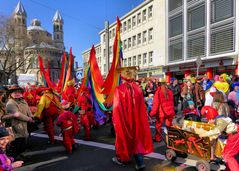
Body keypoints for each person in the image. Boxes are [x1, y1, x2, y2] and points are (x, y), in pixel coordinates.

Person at [112, 66, 153, 170]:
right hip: (137, 120)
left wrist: (116, 121)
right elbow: (142, 106)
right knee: (137, 139)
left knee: (123, 138)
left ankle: (123, 159)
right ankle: (140, 162)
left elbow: (117, 108)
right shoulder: (137, 88)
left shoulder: (119, 89)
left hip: (125, 120)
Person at [197, 106, 239, 171]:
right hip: (233, 135)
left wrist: (203, 134)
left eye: (208, 119)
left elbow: (217, 131)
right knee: (226, 154)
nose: (208, 121)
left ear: (211, 118)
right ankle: (229, 169)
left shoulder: (220, 120)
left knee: (228, 155)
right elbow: (217, 133)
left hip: (235, 135)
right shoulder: (219, 118)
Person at [5, 85, 34, 159]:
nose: (17, 93)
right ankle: (15, 157)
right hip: (16, 124)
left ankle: (21, 154)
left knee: (23, 141)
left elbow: (28, 109)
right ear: (10, 94)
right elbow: (18, 115)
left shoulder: (22, 100)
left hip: (24, 123)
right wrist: (28, 119)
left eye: (18, 92)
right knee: (18, 141)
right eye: (15, 92)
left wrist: (31, 116)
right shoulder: (10, 103)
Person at [150, 78, 175, 142]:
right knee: (169, 127)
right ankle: (170, 139)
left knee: (158, 126)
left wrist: (151, 114)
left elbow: (156, 105)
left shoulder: (158, 92)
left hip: (162, 113)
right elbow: (172, 103)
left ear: (159, 84)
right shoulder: (170, 91)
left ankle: (158, 138)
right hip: (170, 112)